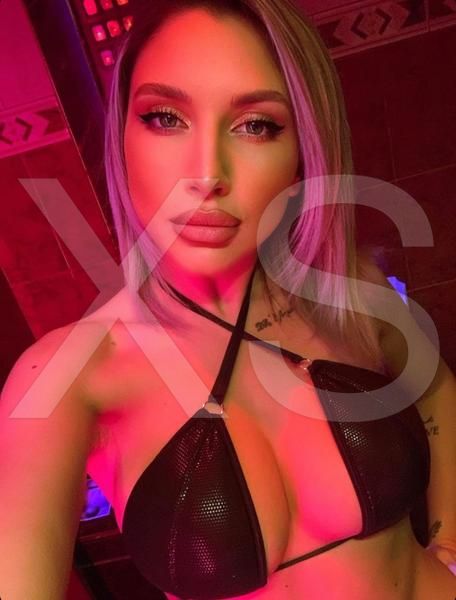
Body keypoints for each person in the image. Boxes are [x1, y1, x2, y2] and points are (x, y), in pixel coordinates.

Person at [1, 1, 455, 599]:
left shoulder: (346, 292)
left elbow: (437, 389)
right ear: (122, 139)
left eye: (256, 125)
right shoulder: (66, 377)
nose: (207, 173)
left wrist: (449, 545)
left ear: (303, 153)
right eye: (166, 118)